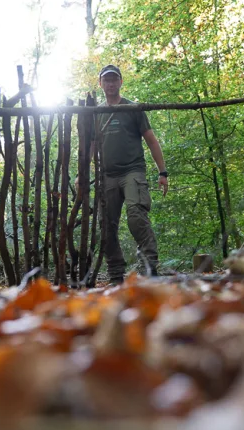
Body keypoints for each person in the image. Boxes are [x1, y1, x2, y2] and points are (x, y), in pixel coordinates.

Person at [96, 64, 168, 284]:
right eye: (106, 80)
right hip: (107, 174)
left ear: (120, 82)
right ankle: (116, 274)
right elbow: (89, 146)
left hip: (132, 170)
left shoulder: (133, 108)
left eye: (114, 79)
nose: (110, 83)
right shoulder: (95, 112)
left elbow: (151, 140)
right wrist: (82, 174)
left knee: (136, 215)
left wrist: (162, 171)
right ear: (100, 84)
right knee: (107, 224)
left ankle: (149, 268)